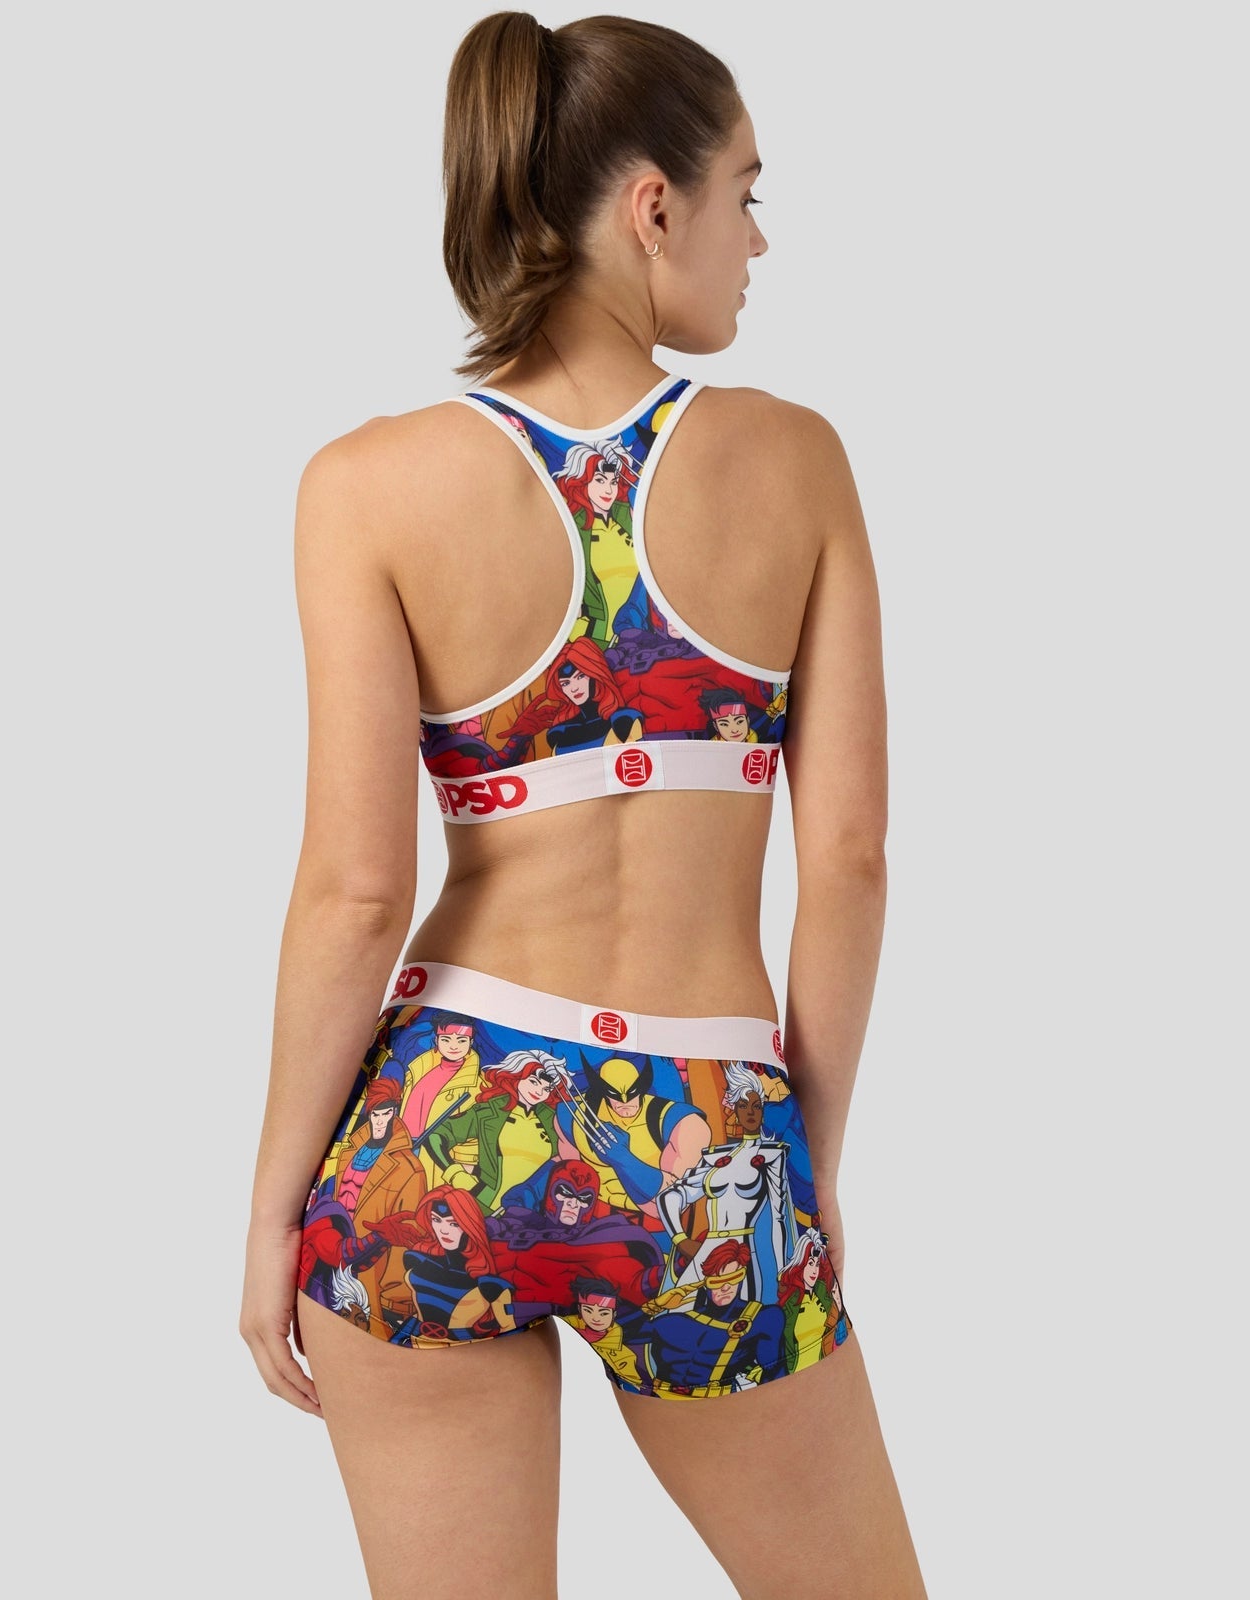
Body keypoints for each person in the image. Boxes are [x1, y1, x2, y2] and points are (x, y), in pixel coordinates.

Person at [240, 12, 928, 1597]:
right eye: (748, 193)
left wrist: (276, 1207)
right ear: (652, 206)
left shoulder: (364, 486)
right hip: (709, 1147)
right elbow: (851, 859)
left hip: (440, 1136)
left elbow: (354, 891)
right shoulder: (797, 462)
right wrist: (797, 1166)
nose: (761, 240)